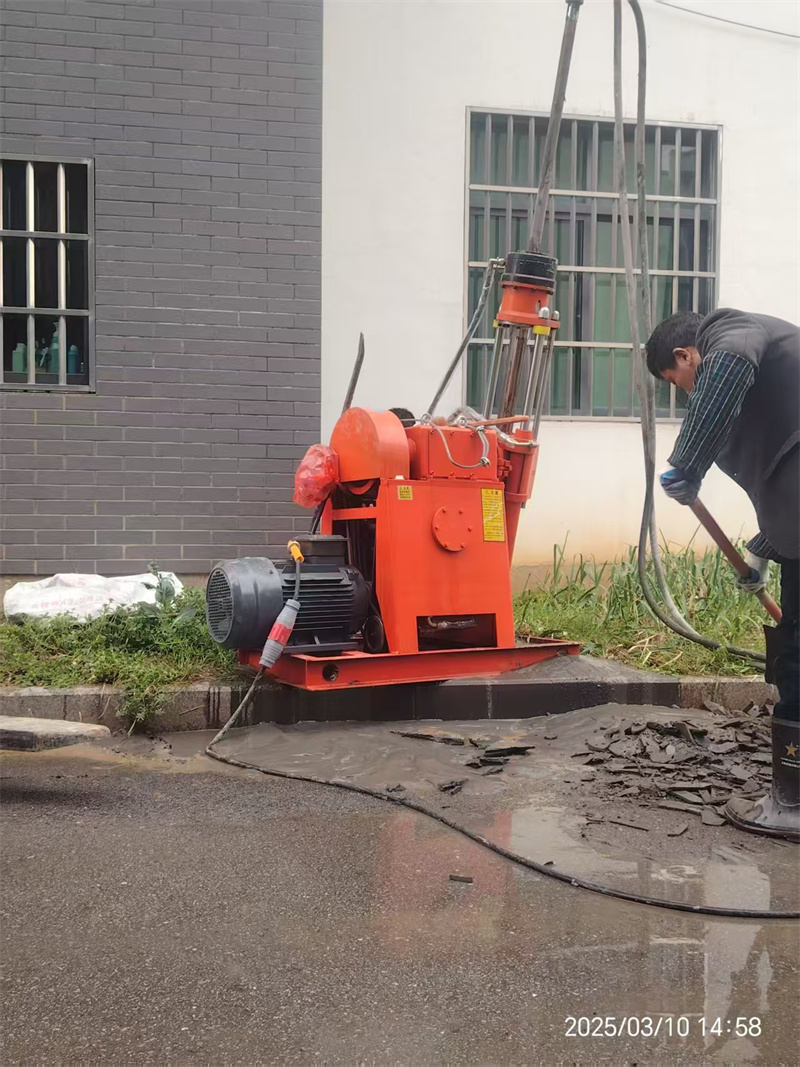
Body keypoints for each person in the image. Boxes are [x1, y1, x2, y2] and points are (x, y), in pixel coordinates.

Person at [645, 308, 799, 840]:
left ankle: (794, 801)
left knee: (796, 655)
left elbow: (728, 366)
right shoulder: (770, 382)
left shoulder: (729, 333)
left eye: (677, 381)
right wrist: (763, 550)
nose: (687, 392)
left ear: (686, 355)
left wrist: (688, 462)